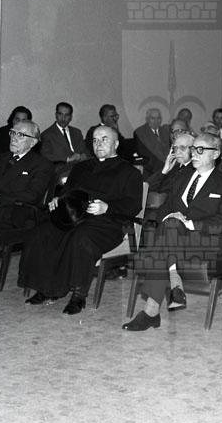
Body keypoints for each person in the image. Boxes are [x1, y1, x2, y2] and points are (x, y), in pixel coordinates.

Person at [19, 125, 142, 315]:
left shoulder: (129, 172)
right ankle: (46, 288)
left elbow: (133, 204)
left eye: (104, 139)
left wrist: (107, 207)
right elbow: (67, 192)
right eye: (95, 140)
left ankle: (78, 295)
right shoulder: (81, 167)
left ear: (116, 144)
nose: (98, 144)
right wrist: (58, 200)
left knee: (81, 238)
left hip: (107, 223)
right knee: (43, 232)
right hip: (74, 217)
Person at [123, 132, 222, 330]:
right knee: (171, 225)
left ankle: (154, 309)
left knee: (165, 238)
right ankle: (167, 290)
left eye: (200, 150)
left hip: (207, 239)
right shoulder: (182, 177)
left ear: (216, 154)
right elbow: (164, 209)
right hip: (174, 237)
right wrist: (172, 218)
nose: (194, 154)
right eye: (193, 149)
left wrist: (189, 223)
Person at [0, 120, 52, 237]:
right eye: (12, 133)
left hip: (14, 211)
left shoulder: (42, 164)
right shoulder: (1, 158)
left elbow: (33, 195)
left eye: (20, 135)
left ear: (33, 142)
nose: (13, 138)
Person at [40, 101, 89, 177]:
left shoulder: (77, 132)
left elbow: (85, 150)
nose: (63, 118)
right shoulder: (47, 134)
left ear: (71, 117)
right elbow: (46, 156)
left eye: (66, 115)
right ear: (56, 115)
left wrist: (82, 156)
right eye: (60, 114)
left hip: (80, 167)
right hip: (61, 170)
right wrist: (68, 159)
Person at [133, 108, 170, 179]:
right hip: (150, 170)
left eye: (158, 118)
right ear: (147, 119)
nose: (156, 121)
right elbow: (143, 154)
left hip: (166, 168)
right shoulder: (140, 132)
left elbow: (168, 150)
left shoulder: (165, 131)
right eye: (152, 118)